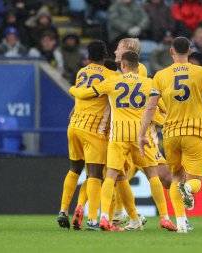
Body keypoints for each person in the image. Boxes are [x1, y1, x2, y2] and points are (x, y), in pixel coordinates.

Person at [70, 51, 176, 231]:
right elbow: (163, 108)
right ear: (138, 65)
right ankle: (165, 217)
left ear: (123, 65)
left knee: (110, 177)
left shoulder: (112, 82)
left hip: (118, 136)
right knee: (153, 176)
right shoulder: (149, 83)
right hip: (140, 136)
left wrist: (72, 89)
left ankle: (103, 217)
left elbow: (85, 93)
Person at [138, 37, 202, 233]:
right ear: (190, 52)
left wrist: (142, 133)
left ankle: (181, 223)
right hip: (194, 132)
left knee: (176, 177)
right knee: (195, 181)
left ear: (171, 52)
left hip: (171, 134)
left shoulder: (160, 75)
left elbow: (150, 107)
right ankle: (188, 190)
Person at [57, 40, 118, 231]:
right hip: (93, 129)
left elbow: (79, 95)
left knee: (74, 169)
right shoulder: (112, 76)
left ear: (88, 56)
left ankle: (62, 211)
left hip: (74, 126)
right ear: (105, 54)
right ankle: (92, 219)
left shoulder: (81, 72)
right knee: (94, 174)